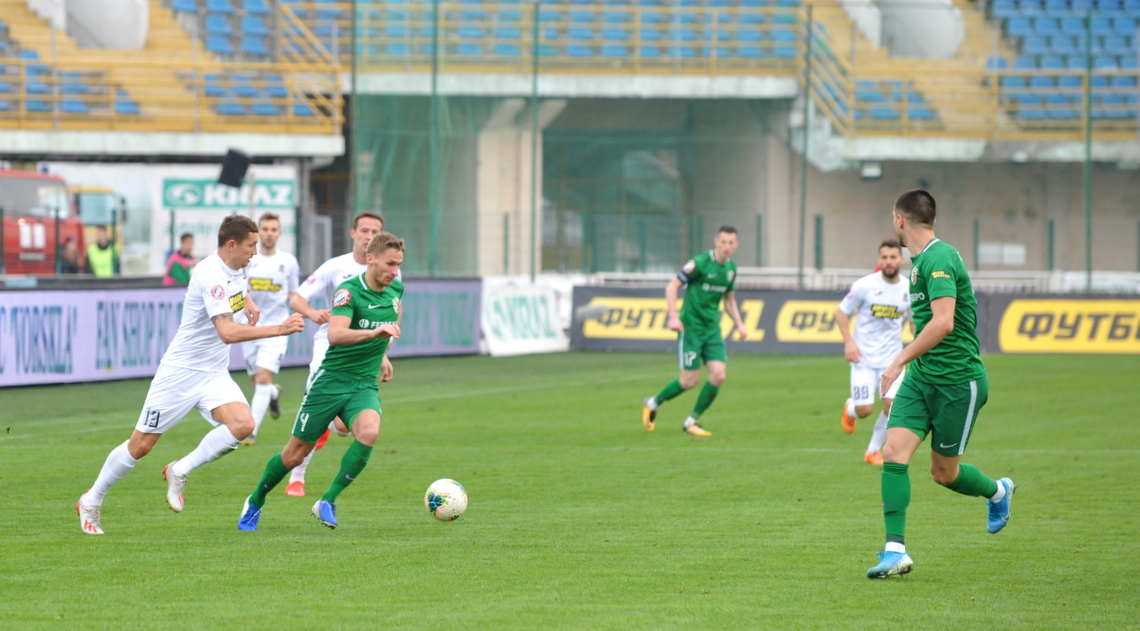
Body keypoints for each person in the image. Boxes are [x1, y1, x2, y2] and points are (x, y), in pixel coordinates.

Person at [76, 215, 306, 535]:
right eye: (251, 245)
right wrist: (279, 328)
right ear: (231, 244)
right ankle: (91, 499)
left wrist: (248, 301)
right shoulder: (209, 274)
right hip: (181, 372)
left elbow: (238, 285)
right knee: (141, 445)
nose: (256, 252)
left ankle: (180, 468)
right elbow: (227, 332)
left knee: (243, 424)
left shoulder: (238, 264)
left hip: (214, 373)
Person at [866, 190, 1015, 579]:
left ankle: (998, 491)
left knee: (944, 473)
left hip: (957, 382)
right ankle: (895, 551)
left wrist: (898, 359)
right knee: (893, 453)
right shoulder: (919, 262)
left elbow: (944, 322)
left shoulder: (939, 258)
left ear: (900, 220)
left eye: (893, 218)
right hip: (922, 378)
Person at [239, 232, 404, 531]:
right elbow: (335, 334)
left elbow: (394, 316)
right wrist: (373, 333)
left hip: (363, 383)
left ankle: (327, 500)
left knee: (369, 432)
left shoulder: (396, 290)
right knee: (294, 454)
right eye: (390, 264)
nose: (395, 271)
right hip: (330, 382)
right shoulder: (348, 292)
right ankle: (256, 499)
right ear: (371, 259)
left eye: (399, 265)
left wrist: (383, 352)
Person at [283, 212, 395, 496]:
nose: (369, 236)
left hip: (364, 355)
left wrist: (382, 354)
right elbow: (296, 298)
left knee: (344, 428)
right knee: (311, 409)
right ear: (353, 233)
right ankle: (296, 478)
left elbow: (389, 316)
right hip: (329, 347)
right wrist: (312, 313)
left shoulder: (390, 269)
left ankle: (329, 427)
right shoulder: (336, 266)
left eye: (375, 232)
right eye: (364, 230)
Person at [640, 226, 748, 437]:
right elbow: (672, 286)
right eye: (723, 242)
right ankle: (653, 403)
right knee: (689, 381)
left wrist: (740, 324)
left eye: (731, 242)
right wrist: (673, 317)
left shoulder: (731, 269)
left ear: (737, 245)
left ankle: (692, 421)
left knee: (719, 375)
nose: (726, 246)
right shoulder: (699, 263)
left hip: (712, 330)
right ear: (716, 242)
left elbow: (729, 300)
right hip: (690, 329)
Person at [835, 239, 912, 466]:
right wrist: (849, 343)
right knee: (865, 410)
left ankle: (872, 451)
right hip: (864, 359)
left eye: (893, 257)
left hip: (892, 360)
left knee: (892, 407)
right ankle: (851, 409)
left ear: (901, 260)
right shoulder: (864, 285)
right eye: (884, 257)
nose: (888, 261)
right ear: (879, 259)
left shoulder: (909, 289)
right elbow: (841, 313)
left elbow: (914, 321)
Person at [239, 213, 301, 446]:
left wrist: (300, 311)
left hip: (277, 328)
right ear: (258, 233)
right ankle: (273, 393)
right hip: (249, 328)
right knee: (257, 381)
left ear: (279, 233)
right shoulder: (249, 259)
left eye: (273, 229)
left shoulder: (288, 262)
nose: (269, 233)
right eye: (265, 229)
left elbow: (293, 293)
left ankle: (251, 430)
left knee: (263, 377)